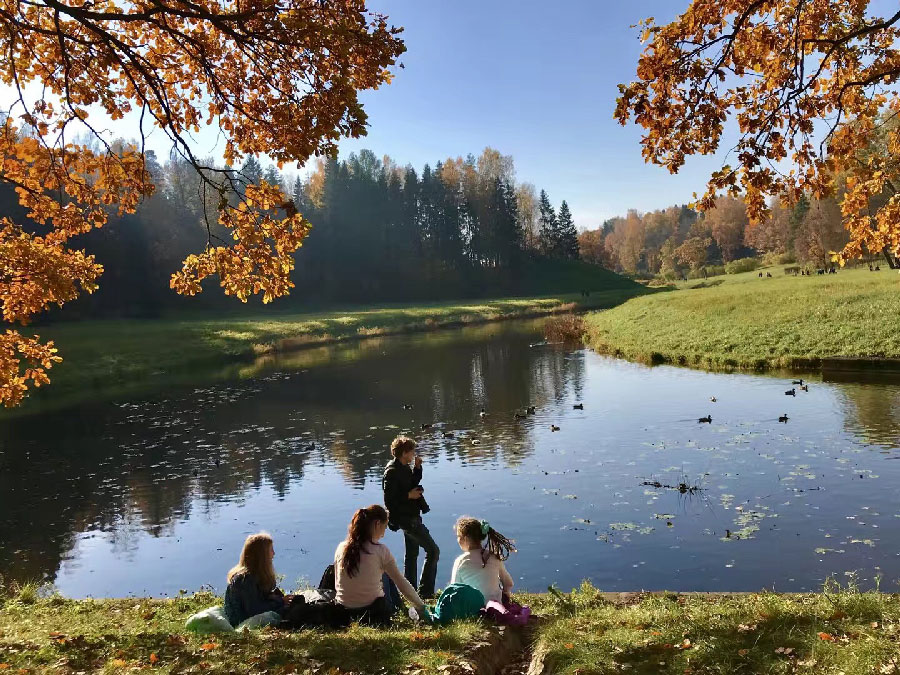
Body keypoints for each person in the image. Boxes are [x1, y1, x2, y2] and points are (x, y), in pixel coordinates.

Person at [334, 504, 427, 625]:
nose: (383, 534)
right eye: (384, 527)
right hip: (372, 613)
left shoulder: (341, 547)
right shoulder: (380, 551)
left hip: (343, 612)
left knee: (383, 570)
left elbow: (337, 582)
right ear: (377, 524)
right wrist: (421, 606)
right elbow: (401, 583)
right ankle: (398, 609)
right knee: (389, 574)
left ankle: (400, 608)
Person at [382, 435, 440, 598]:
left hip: (412, 517)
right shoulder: (392, 472)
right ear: (405, 452)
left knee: (412, 555)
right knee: (433, 551)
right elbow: (389, 501)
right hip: (406, 520)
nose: (414, 453)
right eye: (412, 451)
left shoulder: (404, 466)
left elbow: (412, 482)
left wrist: (417, 468)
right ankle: (426, 592)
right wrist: (408, 496)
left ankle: (410, 591)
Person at [224, 532, 287, 627]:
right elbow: (254, 610)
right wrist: (280, 601)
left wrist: (274, 597)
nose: (273, 553)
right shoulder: (245, 579)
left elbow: (257, 599)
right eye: (271, 550)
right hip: (242, 622)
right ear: (261, 555)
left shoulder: (255, 575)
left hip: (250, 616)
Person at [449, 517, 515, 606]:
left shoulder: (461, 561)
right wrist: (506, 593)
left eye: (458, 536)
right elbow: (509, 583)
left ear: (465, 539)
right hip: (496, 605)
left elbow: (454, 590)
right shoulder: (493, 556)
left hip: (472, 608)